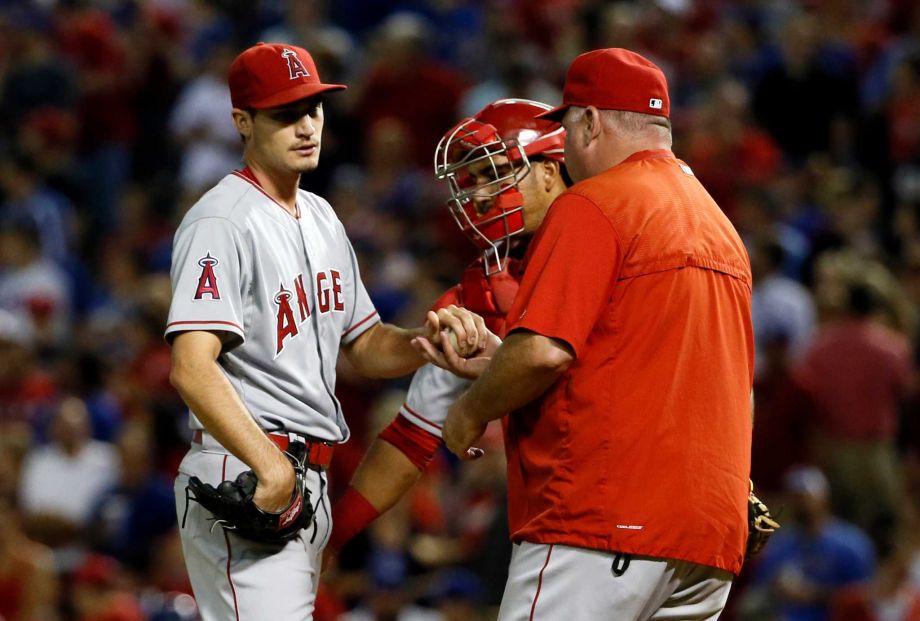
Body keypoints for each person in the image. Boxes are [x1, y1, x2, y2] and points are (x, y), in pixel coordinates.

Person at [418, 48, 756, 620]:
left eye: (569, 127)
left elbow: (545, 353)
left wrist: (470, 411)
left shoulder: (595, 202)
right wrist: (502, 363)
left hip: (602, 522)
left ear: (591, 122)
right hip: (708, 540)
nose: (568, 149)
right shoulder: (719, 225)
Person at [165, 42, 486, 621]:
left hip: (305, 473)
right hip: (246, 467)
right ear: (242, 121)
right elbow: (191, 365)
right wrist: (269, 466)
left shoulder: (321, 215)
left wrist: (425, 342)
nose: (306, 125)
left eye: (313, 108)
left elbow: (364, 346)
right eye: (285, 113)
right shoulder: (221, 221)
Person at [325, 99, 568, 564]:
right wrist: (330, 545)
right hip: (567, 516)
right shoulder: (483, 289)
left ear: (551, 170)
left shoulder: (619, 247)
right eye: (471, 180)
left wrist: (476, 406)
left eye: (493, 172)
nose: (478, 194)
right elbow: (411, 437)